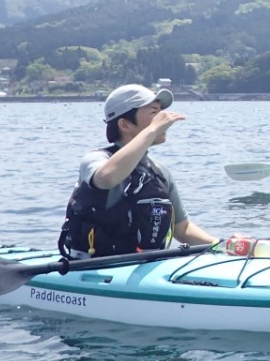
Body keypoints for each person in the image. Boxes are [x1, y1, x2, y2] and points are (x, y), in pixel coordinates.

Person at [58, 83, 218, 258]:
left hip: (145, 268)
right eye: (154, 113)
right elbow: (106, 178)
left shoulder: (160, 172)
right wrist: (152, 129)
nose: (163, 118)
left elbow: (183, 228)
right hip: (95, 267)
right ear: (125, 125)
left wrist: (219, 245)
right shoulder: (97, 160)